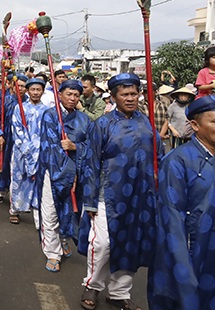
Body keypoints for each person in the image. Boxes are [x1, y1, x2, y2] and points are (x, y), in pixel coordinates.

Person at [148, 95, 215, 310]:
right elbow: (171, 218)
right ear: (195, 125)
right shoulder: (176, 161)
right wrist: (182, 266)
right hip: (197, 250)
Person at [78, 73, 163, 310]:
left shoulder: (146, 122)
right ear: (113, 97)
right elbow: (91, 163)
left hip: (141, 196)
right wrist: (91, 200)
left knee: (130, 242)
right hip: (109, 195)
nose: (130, 98)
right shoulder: (101, 125)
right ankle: (92, 286)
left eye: (134, 93)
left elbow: (159, 154)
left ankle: (119, 292)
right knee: (103, 243)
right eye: (124, 94)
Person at [36, 79, 90, 273]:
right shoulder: (50, 116)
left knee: (71, 211)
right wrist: (69, 173)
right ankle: (52, 252)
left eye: (76, 95)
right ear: (60, 95)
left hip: (77, 173)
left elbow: (91, 146)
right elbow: (51, 148)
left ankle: (64, 238)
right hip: (54, 172)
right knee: (50, 212)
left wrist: (75, 147)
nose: (72, 98)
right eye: (69, 94)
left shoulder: (84, 119)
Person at [11, 77, 48, 226]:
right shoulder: (19, 108)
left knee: (38, 182)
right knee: (19, 180)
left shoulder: (47, 110)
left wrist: (38, 147)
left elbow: (48, 131)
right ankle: (15, 210)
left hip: (40, 151)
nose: (35, 92)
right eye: (32, 89)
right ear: (27, 90)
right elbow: (17, 129)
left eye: (38, 89)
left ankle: (38, 214)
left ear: (43, 91)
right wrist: (28, 147)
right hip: (22, 151)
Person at [0, 73, 22, 206]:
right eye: (18, 85)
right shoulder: (2, 96)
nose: (21, 89)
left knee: (17, 165)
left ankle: (15, 194)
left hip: (19, 137)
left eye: (23, 86)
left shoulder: (26, 100)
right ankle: (0, 190)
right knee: (2, 163)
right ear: (11, 85)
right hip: (5, 135)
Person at [138, 82, 170, 151]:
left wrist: (160, 135)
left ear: (155, 92)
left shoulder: (162, 105)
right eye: (145, 92)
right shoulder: (139, 105)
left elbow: (166, 121)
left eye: (148, 92)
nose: (146, 94)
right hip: (143, 140)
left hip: (159, 141)